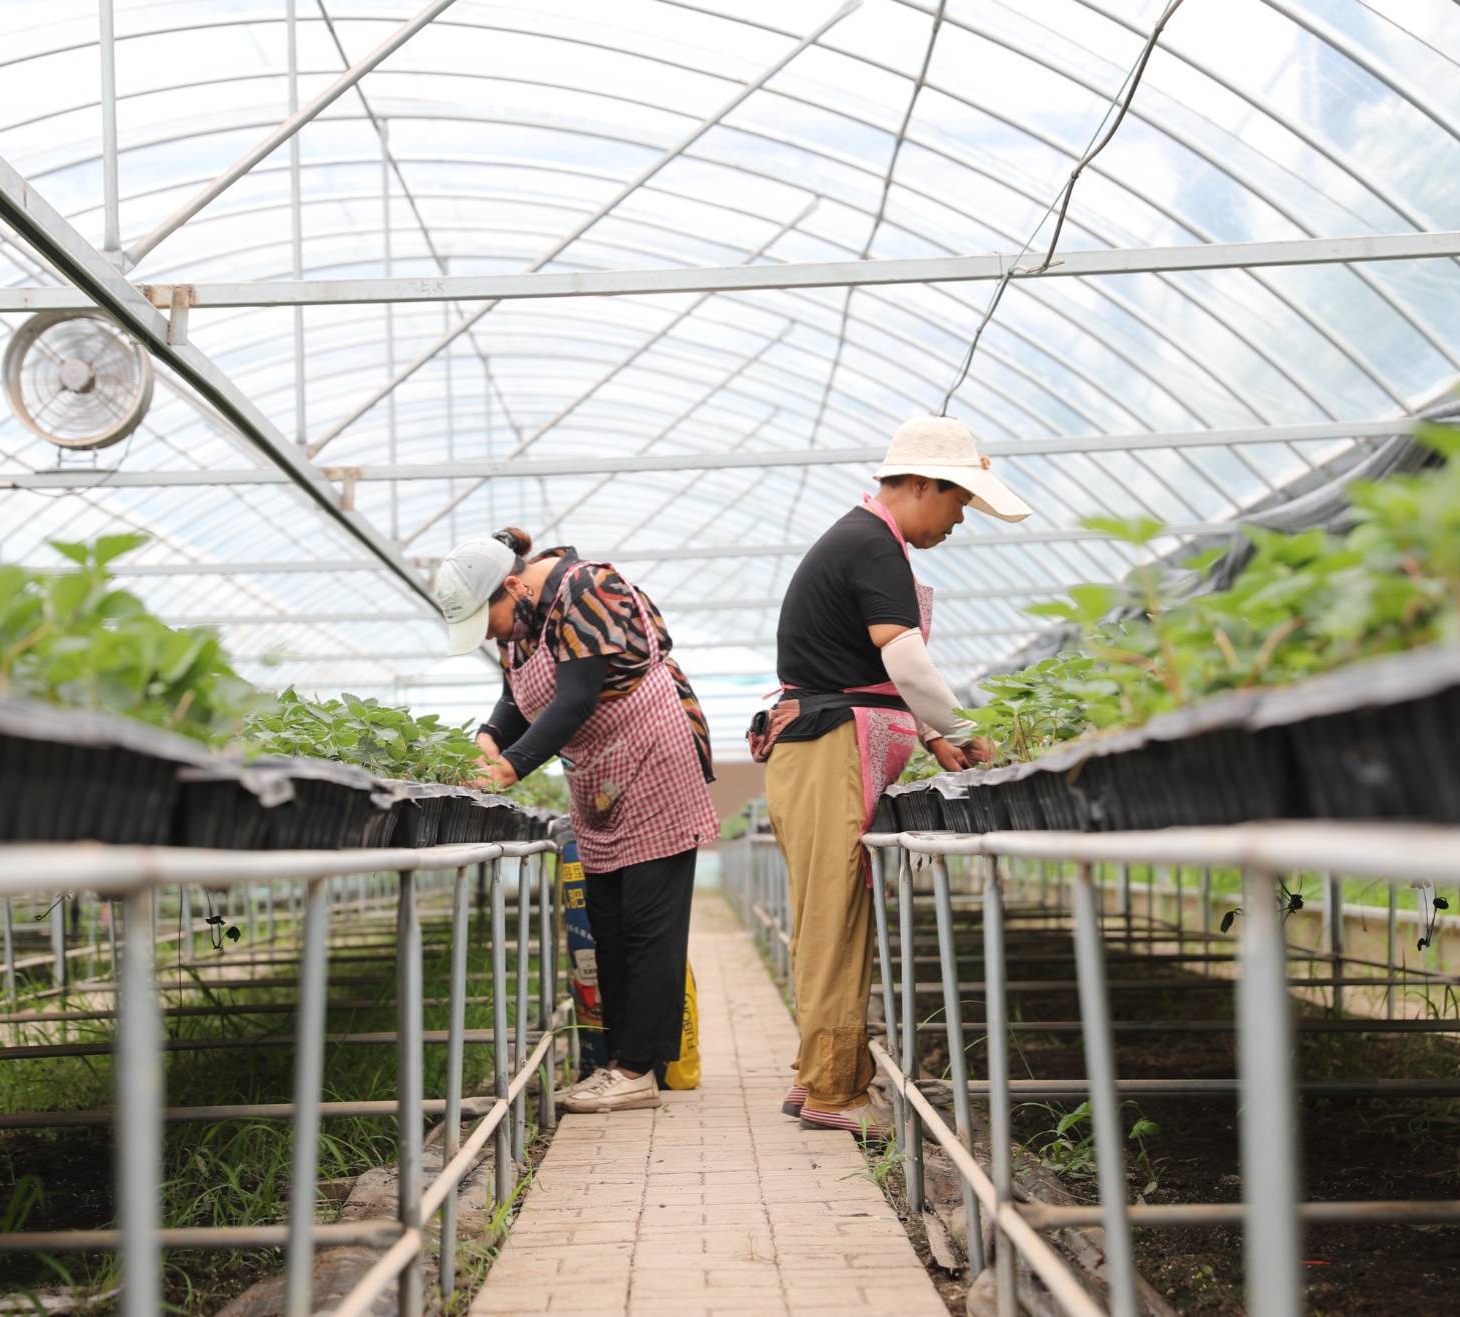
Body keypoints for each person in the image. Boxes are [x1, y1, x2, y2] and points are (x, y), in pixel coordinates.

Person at [763, 416, 1030, 1137]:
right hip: (827, 751)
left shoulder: (865, 541)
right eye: (958, 503)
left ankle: (815, 1076)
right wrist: (963, 730)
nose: (958, 521)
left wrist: (936, 734)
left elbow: (882, 672)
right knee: (836, 919)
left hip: (823, 747)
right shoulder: (872, 545)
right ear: (920, 485)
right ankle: (835, 1091)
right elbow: (906, 663)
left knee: (832, 914)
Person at [433, 527, 717, 1113]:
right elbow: (516, 697)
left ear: (511, 587)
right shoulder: (522, 619)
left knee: (648, 922)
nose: (494, 636)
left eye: (489, 621)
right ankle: (620, 1065)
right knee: (608, 922)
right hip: (599, 773)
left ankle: (639, 1068)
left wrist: (510, 768)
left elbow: (576, 697)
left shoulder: (587, 588)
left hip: (654, 758)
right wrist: (488, 741)